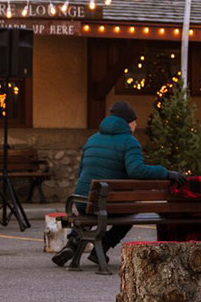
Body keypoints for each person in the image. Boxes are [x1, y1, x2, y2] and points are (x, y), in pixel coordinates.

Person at [51, 101, 181, 268]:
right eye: (134, 123)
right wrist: (166, 173)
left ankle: (73, 242)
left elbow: (81, 171)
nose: (135, 126)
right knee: (128, 212)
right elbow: (137, 170)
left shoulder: (92, 139)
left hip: (82, 201)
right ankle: (103, 247)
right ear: (128, 123)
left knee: (94, 208)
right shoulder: (129, 141)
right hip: (111, 206)